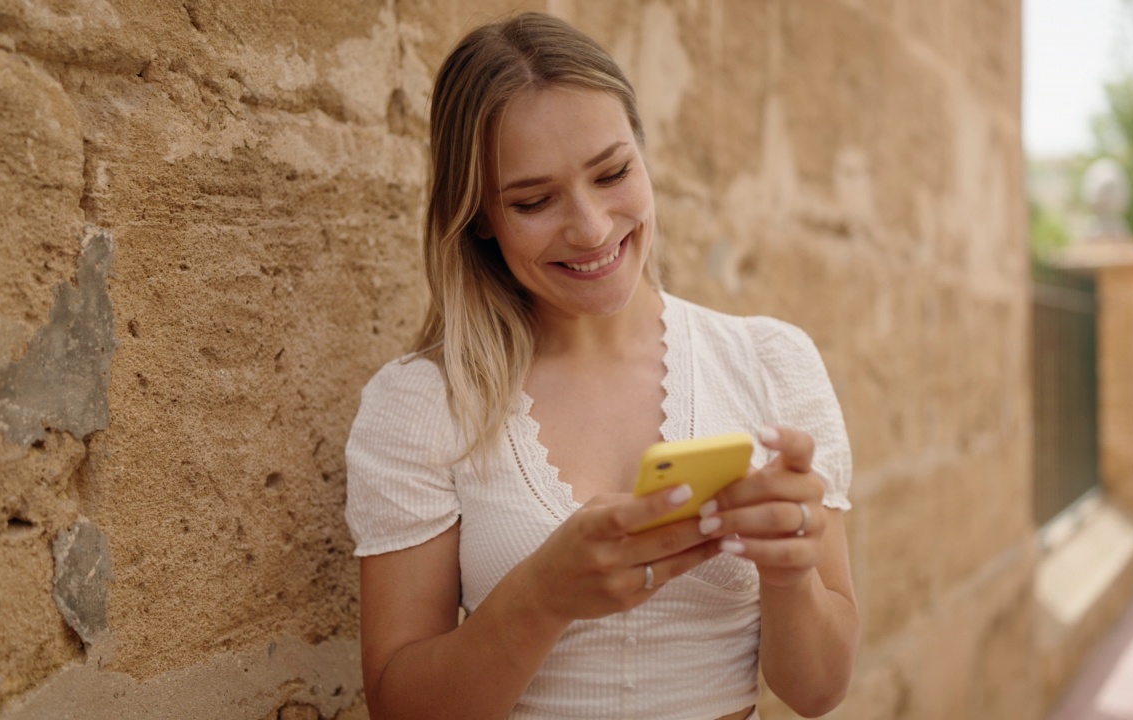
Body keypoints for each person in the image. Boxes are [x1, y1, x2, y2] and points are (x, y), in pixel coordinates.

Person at [345, 12, 858, 719]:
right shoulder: (423, 404)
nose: (589, 228)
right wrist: (541, 596)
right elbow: (399, 708)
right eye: (533, 200)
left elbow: (819, 689)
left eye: (612, 172)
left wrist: (792, 570)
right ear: (480, 216)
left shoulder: (772, 364)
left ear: (645, 158)